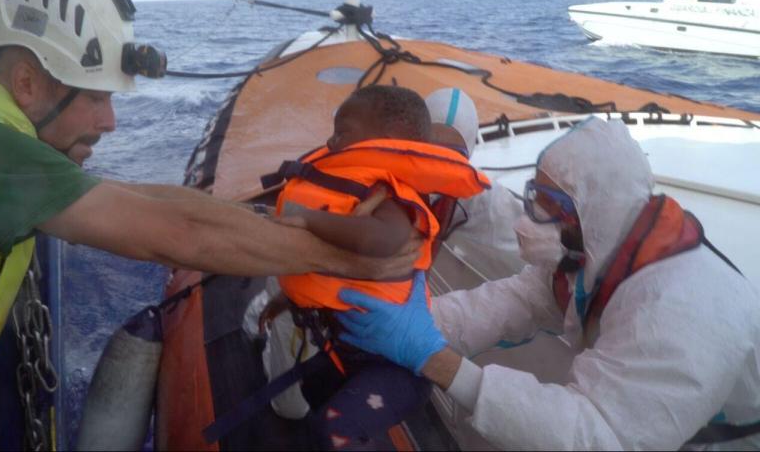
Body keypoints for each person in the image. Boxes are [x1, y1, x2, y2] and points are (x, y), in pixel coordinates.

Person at [0, 0, 418, 434]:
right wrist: (356, 262)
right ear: (27, 83)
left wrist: (284, 222)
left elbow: (152, 199)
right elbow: (175, 235)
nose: (111, 121)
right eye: (96, 98)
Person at [336, 117, 760, 450]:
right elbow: (515, 301)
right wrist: (411, 321)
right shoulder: (596, 252)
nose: (530, 220)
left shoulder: (682, 309)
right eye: (535, 197)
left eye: (553, 205)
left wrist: (438, 362)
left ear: (597, 211)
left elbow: (599, 434)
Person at [248, 86, 489, 448]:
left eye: (447, 153)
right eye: (429, 146)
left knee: (330, 431)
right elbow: (333, 268)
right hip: (344, 342)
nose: (432, 156)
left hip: (393, 365)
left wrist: (311, 220)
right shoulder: (363, 188)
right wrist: (285, 298)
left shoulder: (392, 199)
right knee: (313, 396)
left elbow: (387, 238)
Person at [425, 87, 524, 279]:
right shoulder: (387, 183)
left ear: (468, 156)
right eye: (430, 152)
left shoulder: (486, 201)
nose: (439, 165)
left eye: (453, 157)